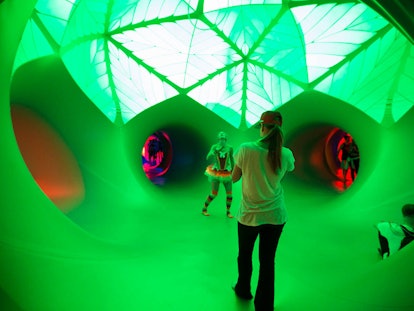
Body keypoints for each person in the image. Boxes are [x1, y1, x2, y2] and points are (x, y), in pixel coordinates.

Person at [232, 111, 295, 311]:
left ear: (262, 127)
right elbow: (283, 174)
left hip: (249, 216)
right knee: (267, 261)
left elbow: (234, 178)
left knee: (244, 255)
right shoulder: (286, 153)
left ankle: (243, 290)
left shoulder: (245, 149)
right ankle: (264, 305)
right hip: (276, 216)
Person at [202, 131, 234, 218]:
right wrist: (211, 153)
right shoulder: (214, 147)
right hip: (216, 172)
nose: (221, 140)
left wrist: (234, 171)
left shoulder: (230, 148)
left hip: (226, 172)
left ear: (226, 139)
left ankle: (228, 211)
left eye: (223, 139)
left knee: (229, 194)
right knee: (214, 193)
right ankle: (204, 209)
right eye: (220, 139)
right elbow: (207, 156)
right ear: (218, 139)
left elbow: (232, 160)